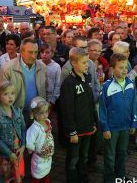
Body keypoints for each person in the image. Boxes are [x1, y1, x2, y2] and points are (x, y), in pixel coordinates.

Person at [99, 53, 137, 183]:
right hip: (112, 128)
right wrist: (105, 128)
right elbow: (102, 110)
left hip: (125, 126)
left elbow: (134, 104)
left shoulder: (131, 84)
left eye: (125, 67)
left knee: (122, 153)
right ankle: (109, 178)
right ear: (112, 69)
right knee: (110, 155)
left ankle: (120, 176)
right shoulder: (106, 86)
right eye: (120, 67)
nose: (124, 70)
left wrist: (133, 123)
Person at [59, 47, 97, 183]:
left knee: (84, 156)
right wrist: (72, 131)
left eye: (87, 62)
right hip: (75, 130)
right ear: (74, 63)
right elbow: (67, 110)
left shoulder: (87, 78)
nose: (87, 65)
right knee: (73, 157)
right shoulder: (68, 83)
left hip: (87, 127)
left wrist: (93, 122)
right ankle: (72, 179)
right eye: (84, 62)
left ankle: (82, 177)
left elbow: (90, 103)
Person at [0, 38, 47, 125]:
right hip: (15, 114)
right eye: (30, 52)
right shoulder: (7, 69)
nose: (34, 56)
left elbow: (46, 88)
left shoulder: (42, 67)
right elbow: (0, 94)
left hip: (37, 113)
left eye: (36, 52)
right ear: (21, 51)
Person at [0, 82, 26, 183]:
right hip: (6, 155)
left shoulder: (17, 111)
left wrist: (23, 145)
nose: (10, 97)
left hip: (19, 152)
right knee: (6, 178)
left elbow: (23, 128)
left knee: (18, 177)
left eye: (12, 93)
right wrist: (9, 153)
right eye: (6, 94)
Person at [26, 97, 55, 183]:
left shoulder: (47, 122)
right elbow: (29, 142)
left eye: (46, 112)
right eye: (41, 113)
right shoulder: (34, 128)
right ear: (34, 114)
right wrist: (33, 149)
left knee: (46, 175)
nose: (45, 115)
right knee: (36, 178)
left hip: (48, 158)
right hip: (39, 159)